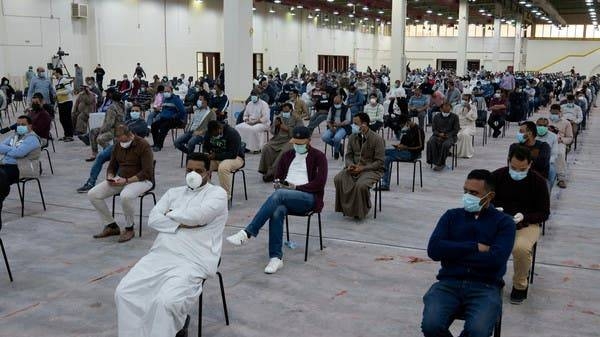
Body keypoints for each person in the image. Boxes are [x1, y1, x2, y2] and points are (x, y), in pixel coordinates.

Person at [114, 152, 227, 337]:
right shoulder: (173, 193)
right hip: (161, 254)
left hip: (194, 259)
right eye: (189, 170)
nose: (193, 175)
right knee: (124, 292)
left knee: (166, 302)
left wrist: (171, 214)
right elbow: (153, 220)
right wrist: (185, 220)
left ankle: (174, 328)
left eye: (199, 171)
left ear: (209, 174)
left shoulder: (217, 194)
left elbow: (199, 216)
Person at [421, 170, 515, 337]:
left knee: (478, 331)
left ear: (490, 196)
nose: (467, 196)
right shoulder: (451, 216)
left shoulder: (504, 222)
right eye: (465, 191)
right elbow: (434, 250)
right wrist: (475, 247)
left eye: (474, 193)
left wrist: (453, 251)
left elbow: (496, 260)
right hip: (449, 283)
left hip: (485, 287)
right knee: (431, 325)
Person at [226, 126, 327, 274]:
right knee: (277, 210)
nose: (297, 146)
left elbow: (320, 183)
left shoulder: (318, 156)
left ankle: (248, 232)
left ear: (308, 141)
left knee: (280, 195)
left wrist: (295, 188)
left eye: (300, 143)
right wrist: (278, 184)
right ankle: (275, 258)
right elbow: (278, 178)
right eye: (295, 143)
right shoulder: (287, 156)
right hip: (287, 197)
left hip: (308, 198)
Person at [492, 146, 550, 304]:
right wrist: (493, 209)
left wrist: (526, 217)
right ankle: (491, 280)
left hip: (526, 224)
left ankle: (520, 285)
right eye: (513, 167)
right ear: (508, 162)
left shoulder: (538, 182)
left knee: (521, 248)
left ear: (530, 164)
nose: (517, 172)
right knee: (486, 244)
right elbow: (485, 200)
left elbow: (544, 213)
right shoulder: (497, 176)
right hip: (499, 221)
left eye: (522, 169)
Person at [88, 124, 154, 243]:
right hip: (122, 179)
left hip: (142, 180)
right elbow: (112, 166)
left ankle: (129, 228)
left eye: (120, 138)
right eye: (117, 139)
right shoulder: (118, 146)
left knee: (126, 196)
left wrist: (128, 181)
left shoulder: (143, 145)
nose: (118, 141)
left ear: (129, 135)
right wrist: (110, 177)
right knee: (93, 194)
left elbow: (147, 172)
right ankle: (111, 225)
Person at [77, 105, 149, 193]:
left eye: (136, 111)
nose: (134, 112)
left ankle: (118, 183)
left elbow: (128, 134)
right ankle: (90, 183)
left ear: (141, 112)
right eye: (132, 110)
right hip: (118, 146)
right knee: (100, 156)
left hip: (130, 150)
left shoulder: (142, 124)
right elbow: (118, 132)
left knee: (118, 164)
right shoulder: (127, 121)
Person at [334, 113, 385, 220]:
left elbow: (379, 162)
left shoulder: (377, 139)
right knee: (338, 179)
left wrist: (363, 168)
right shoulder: (352, 137)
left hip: (371, 169)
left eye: (356, 123)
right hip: (354, 168)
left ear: (364, 124)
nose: (353, 126)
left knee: (360, 186)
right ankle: (347, 208)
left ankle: (360, 210)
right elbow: (348, 156)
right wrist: (350, 165)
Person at [376, 114, 425, 191]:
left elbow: (420, 147)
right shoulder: (406, 131)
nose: (402, 127)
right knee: (386, 158)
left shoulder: (418, 130)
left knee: (383, 152)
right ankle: (384, 184)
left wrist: (406, 147)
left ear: (408, 122)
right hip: (403, 151)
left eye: (402, 125)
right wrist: (399, 146)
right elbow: (403, 143)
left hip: (413, 154)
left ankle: (376, 175)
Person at [258, 103, 304, 182]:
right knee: (266, 147)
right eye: (283, 110)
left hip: (290, 140)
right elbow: (272, 131)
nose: (285, 112)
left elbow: (301, 132)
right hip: (278, 139)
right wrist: (276, 126)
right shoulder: (278, 117)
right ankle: (265, 170)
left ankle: (273, 172)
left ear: (291, 110)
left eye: (287, 110)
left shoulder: (297, 118)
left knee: (284, 152)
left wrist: (287, 129)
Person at [203, 121, 245, 201]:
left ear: (219, 129)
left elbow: (233, 154)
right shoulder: (209, 132)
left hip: (236, 158)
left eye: (214, 134)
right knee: (202, 165)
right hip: (216, 158)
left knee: (223, 167)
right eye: (211, 135)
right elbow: (205, 146)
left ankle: (225, 197)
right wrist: (206, 154)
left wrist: (216, 156)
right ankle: (207, 191)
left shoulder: (232, 133)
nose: (213, 136)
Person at [0, 115, 41, 185]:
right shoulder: (15, 135)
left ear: (30, 126)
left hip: (20, 168)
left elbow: (18, 153)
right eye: (18, 125)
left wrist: (6, 151)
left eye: (23, 125)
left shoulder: (32, 138)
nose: (20, 127)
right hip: (6, 165)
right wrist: (13, 149)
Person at [151, 86, 186, 152]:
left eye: (168, 91)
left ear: (172, 92)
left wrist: (174, 116)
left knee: (164, 126)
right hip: (164, 118)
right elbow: (164, 110)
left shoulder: (176, 99)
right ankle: (156, 143)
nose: (166, 93)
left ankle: (159, 145)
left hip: (176, 119)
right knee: (154, 125)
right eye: (165, 91)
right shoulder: (165, 99)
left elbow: (183, 111)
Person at [426, 103, 460, 171]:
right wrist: (439, 134)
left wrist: (446, 135)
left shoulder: (455, 117)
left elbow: (456, 129)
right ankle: (435, 161)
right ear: (441, 109)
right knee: (431, 141)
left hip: (450, 136)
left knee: (445, 144)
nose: (448, 108)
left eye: (449, 107)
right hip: (437, 135)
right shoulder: (436, 116)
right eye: (446, 107)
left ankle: (441, 163)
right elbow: (434, 129)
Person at [548, 105, 573, 189]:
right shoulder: (545, 121)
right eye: (552, 112)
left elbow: (570, 138)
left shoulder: (566, 122)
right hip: (546, 140)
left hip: (559, 142)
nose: (554, 114)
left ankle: (561, 178)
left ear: (560, 112)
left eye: (556, 113)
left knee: (560, 153)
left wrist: (561, 140)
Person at [322, 95, 351, 160]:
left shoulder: (347, 108)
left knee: (337, 137)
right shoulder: (332, 108)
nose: (336, 104)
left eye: (337, 103)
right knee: (324, 137)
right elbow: (328, 120)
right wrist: (330, 126)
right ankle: (339, 146)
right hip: (332, 126)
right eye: (335, 103)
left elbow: (348, 120)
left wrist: (339, 124)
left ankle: (336, 151)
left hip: (343, 127)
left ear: (341, 101)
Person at [535, 117, 559, 190]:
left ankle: (547, 192)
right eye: (539, 125)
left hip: (547, 162)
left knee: (552, 172)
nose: (542, 127)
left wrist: (545, 162)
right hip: (532, 161)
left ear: (548, 126)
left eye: (544, 126)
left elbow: (554, 154)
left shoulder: (553, 136)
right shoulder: (532, 134)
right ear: (536, 125)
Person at [53, 68, 75, 142]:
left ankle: (70, 136)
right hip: (61, 102)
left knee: (67, 119)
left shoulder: (64, 80)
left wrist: (58, 93)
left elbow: (70, 90)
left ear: (58, 73)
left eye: (55, 73)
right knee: (62, 119)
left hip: (67, 102)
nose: (54, 75)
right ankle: (66, 135)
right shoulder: (58, 82)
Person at [454, 94, 477, 158]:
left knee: (465, 135)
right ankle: (455, 152)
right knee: (456, 133)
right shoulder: (456, 107)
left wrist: (469, 109)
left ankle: (465, 154)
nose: (464, 101)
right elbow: (453, 117)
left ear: (469, 100)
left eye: (466, 100)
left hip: (469, 126)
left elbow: (474, 117)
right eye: (463, 99)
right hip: (458, 126)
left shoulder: (473, 107)